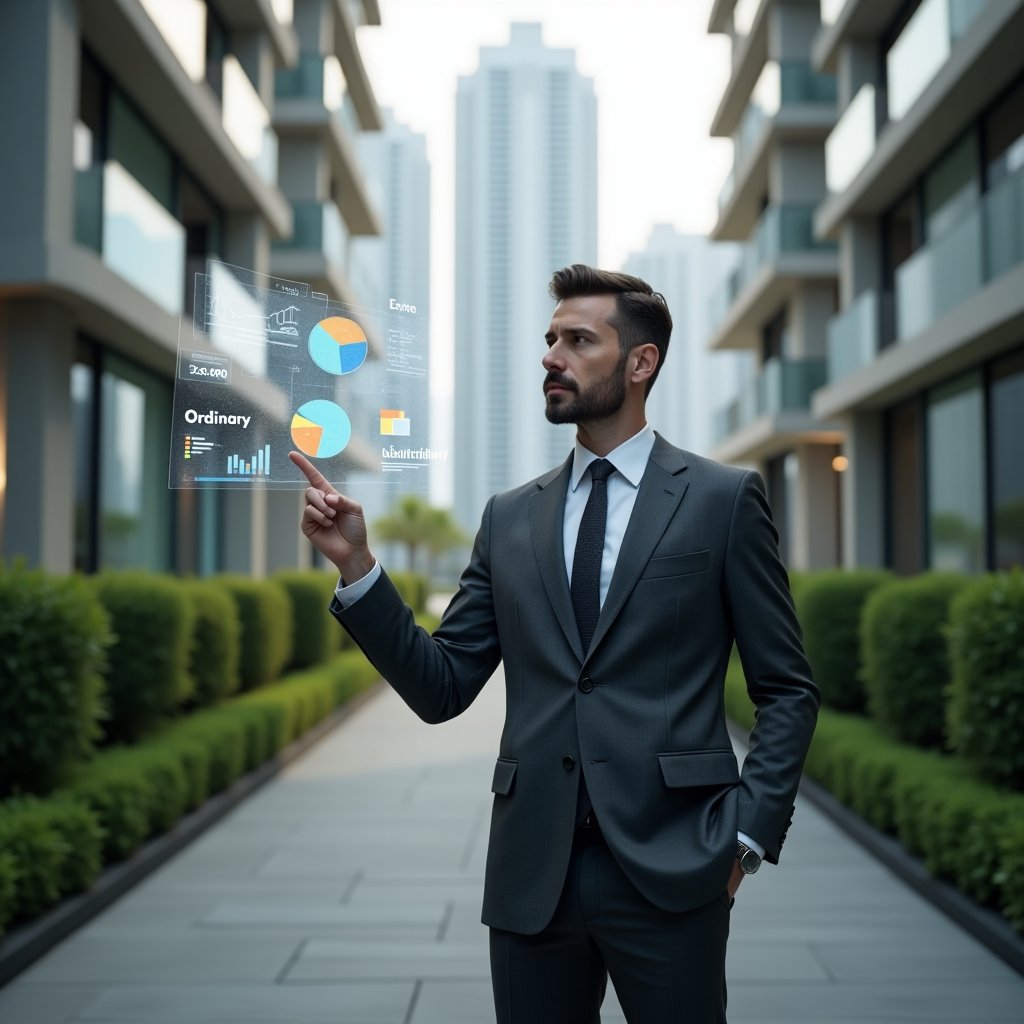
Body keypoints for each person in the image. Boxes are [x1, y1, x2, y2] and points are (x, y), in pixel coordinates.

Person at [290, 264, 819, 1024]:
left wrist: (745, 840)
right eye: (550, 339)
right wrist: (357, 568)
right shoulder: (509, 517)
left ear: (641, 362)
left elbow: (788, 690)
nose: (551, 356)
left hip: (678, 866)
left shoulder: (722, 500)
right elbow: (443, 686)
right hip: (531, 873)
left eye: (578, 340)